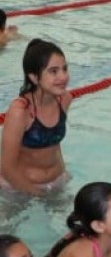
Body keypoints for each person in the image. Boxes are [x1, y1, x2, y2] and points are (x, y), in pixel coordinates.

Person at [0, 39, 72, 196]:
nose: (63, 76)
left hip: (56, 180)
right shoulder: (21, 111)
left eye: (64, 69)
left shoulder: (64, 99)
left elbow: (55, 143)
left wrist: (63, 175)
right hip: (18, 186)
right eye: (53, 71)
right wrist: (35, 193)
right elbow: (6, 168)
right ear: (33, 77)